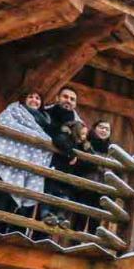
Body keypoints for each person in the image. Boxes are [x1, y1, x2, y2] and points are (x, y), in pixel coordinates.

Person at [0, 92, 53, 234]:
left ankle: (16, 234)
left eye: (38, 98)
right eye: (31, 97)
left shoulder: (45, 121)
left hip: (30, 168)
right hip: (9, 163)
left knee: (24, 203)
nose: (34, 100)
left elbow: (50, 140)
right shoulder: (13, 112)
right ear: (24, 99)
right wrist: (36, 137)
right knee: (3, 198)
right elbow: (4, 125)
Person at [40, 86, 83, 227]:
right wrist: (70, 151)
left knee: (60, 198)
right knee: (41, 198)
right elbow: (49, 132)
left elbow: (82, 143)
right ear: (57, 98)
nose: (68, 101)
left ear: (75, 104)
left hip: (66, 168)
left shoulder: (78, 124)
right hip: (45, 161)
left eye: (72, 99)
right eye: (65, 97)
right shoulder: (46, 113)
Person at [70, 119, 114, 234]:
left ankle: (90, 246)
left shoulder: (112, 151)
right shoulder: (85, 143)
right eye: (101, 127)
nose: (104, 130)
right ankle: (73, 244)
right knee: (79, 220)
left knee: (95, 223)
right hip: (84, 188)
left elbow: (116, 173)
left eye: (107, 129)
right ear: (94, 129)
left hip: (102, 191)